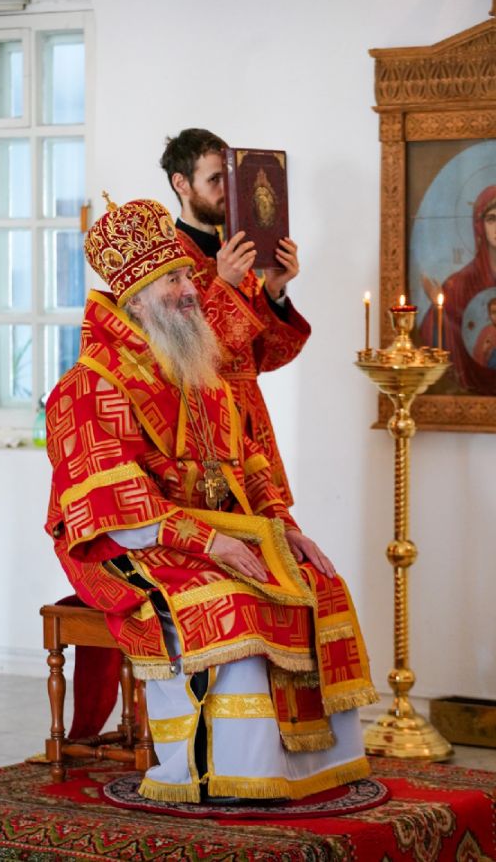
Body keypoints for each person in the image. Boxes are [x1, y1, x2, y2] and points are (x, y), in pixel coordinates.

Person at [46, 197, 378, 803]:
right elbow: (117, 506)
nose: (190, 291)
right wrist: (211, 542)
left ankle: (305, 765)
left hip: (215, 533)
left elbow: (247, 464)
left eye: (186, 276)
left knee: (318, 582)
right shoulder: (92, 384)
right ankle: (222, 772)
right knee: (230, 598)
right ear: (136, 300)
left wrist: (284, 525)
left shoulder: (200, 371)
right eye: (172, 280)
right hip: (122, 546)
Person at [160, 128, 311, 507]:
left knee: (271, 536)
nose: (226, 191)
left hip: (251, 423)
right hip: (200, 425)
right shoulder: (164, 263)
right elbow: (183, 359)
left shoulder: (235, 252)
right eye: (214, 179)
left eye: (228, 179)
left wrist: (274, 291)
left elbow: (265, 357)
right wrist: (224, 284)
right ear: (181, 183)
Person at [419, 184, 496, 394]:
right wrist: (439, 309)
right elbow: (439, 340)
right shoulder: (458, 284)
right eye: (492, 219)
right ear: (479, 226)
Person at [472, 296, 496, 369]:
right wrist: (484, 350)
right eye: (494, 312)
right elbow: (477, 354)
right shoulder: (485, 332)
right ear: (489, 315)